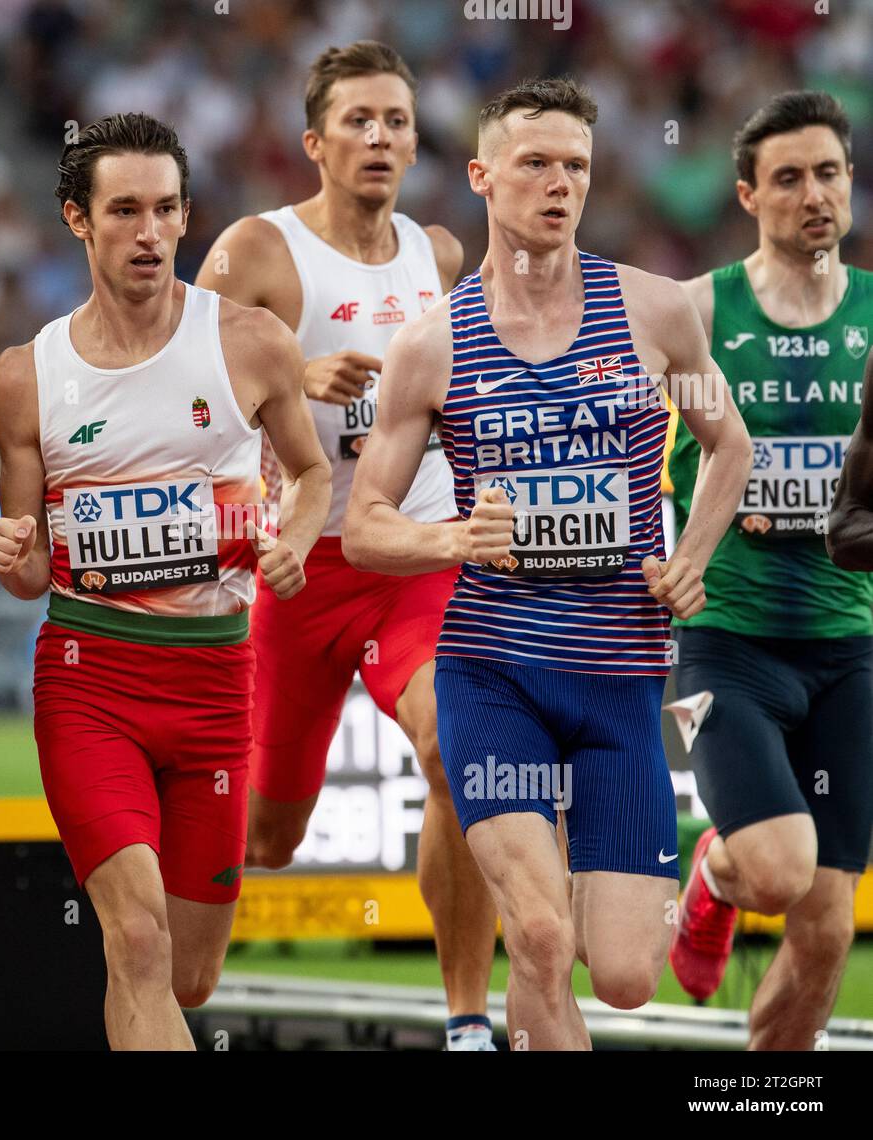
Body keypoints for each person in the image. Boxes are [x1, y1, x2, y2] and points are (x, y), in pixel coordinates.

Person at [342, 77, 752, 1049]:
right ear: (481, 177)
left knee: (617, 973)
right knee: (534, 934)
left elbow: (727, 445)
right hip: (493, 677)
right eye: (534, 163)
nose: (558, 182)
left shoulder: (657, 315)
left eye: (575, 165)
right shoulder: (432, 343)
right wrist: (452, 540)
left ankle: (689, 886)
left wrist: (690, 557)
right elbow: (364, 526)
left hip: (619, 682)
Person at [0, 112, 330, 1050]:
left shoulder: (253, 342)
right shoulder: (27, 376)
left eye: (166, 209)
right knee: (134, 937)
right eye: (123, 210)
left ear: (186, 217)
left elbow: (313, 474)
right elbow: (32, 571)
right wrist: (18, 561)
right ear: (76, 220)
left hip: (217, 683)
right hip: (90, 680)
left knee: (187, 975)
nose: (148, 232)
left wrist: (294, 535)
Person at [196, 39, 499, 1050]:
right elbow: (177, 399)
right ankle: (132, 887)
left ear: (416, 140)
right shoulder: (257, 250)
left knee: (457, 754)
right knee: (268, 839)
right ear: (313, 143)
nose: (379, 137)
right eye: (358, 121)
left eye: (396, 121)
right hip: (298, 572)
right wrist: (291, 381)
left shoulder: (441, 256)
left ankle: (464, 1021)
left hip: (411, 556)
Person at [670, 91, 873, 1049]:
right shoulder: (700, 312)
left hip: (849, 650)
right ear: (749, 195)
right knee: (781, 871)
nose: (814, 196)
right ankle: (715, 874)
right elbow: (625, 454)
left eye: (829, 173)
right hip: (730, 646)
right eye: (788, 178)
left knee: (828, 931)